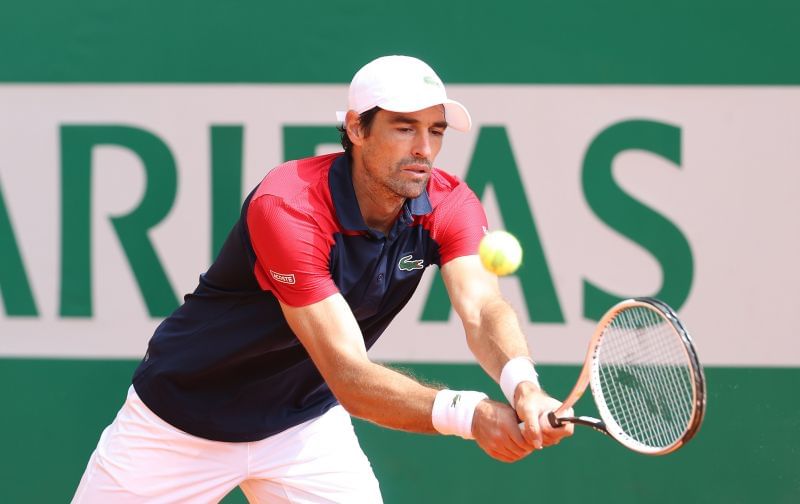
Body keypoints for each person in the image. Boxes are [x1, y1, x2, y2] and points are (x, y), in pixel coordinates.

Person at [72, 55, 574, 504]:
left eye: (436, 131)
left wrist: (523, 384)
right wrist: (470, 415)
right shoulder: (288, 206)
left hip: (302, 426)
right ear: (356, 129)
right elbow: (351, 376)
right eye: (404, 128)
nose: (424, 149)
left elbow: (482, 307)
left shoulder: (449, 203)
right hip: (180, 420)